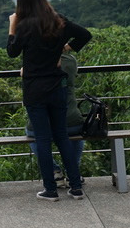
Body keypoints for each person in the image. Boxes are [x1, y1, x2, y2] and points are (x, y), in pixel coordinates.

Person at [6, 0, 92, 201]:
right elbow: (85, 35)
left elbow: (12, 52)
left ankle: (51, 190)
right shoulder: (57, 21)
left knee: (43, 139)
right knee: (62, 136)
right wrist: (66, 48)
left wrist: (12, 26)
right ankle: (76, 188)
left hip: (35, 89)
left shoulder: (24, 26)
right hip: (57, 87)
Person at [25, 48, 88, 191]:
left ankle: (55, 172)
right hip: (72, 120)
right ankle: (74, 172)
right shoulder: (70, 61)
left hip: (44, 122)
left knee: (32, 132)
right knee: (75, 135)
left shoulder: (36, 62)